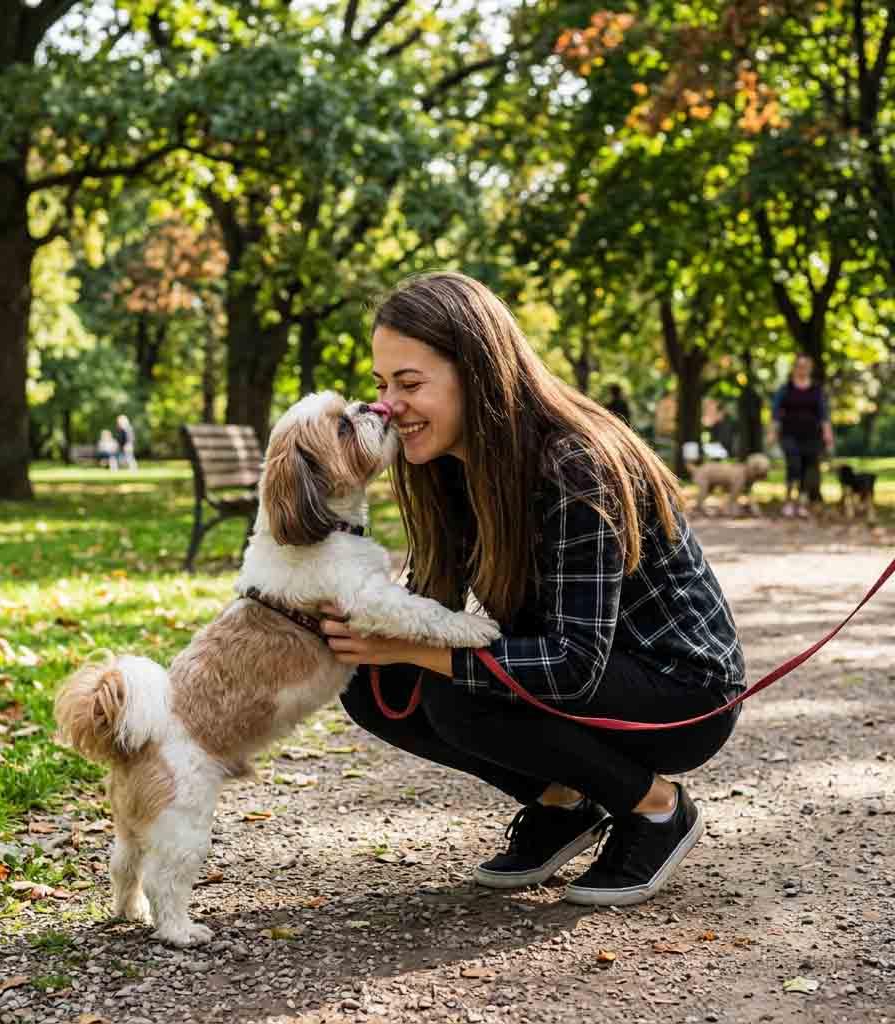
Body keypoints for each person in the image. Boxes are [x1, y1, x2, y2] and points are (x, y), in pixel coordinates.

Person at [321, 272, 745, 907]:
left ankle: (657, 808)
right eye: (382, 385)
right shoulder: (448, 467)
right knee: (369, 683)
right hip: (582, 669)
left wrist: (411, 648)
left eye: (410, 384)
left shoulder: (576, 464)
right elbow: (432, 607)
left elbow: (571, 666)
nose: (388, 405)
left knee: (454, 691)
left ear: (478, 372)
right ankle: (563, 803)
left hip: (681, 693)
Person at [768, 354, 833, 518]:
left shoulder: (817, 390)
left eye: (806, 366)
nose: (802, 369)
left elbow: (824, 414)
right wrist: (772, 433)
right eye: (799, 366)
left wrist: (827, 434)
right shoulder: (785, 389)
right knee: (793, 464)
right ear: (794, 368)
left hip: (812, 435)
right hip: (789, 434)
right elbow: (775, 414)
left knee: (807, 468)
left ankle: (802, 503)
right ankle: (789, 501)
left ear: (810, 369)